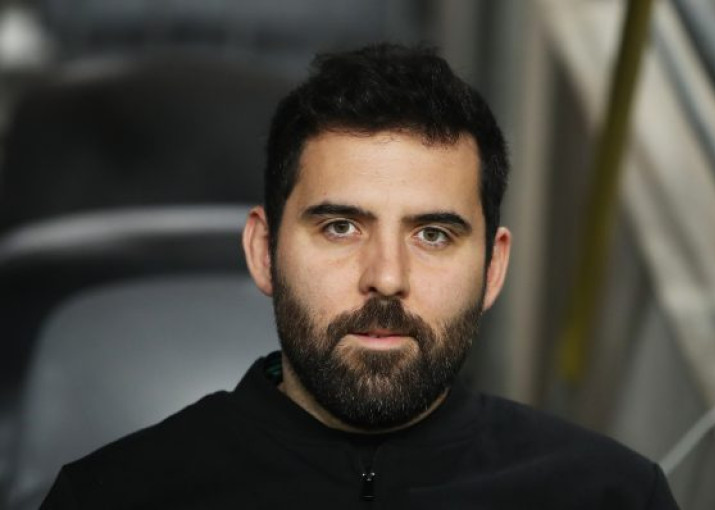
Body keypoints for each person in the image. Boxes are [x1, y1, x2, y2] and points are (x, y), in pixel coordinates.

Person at [42, 43, 679, 509]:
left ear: (493, 268)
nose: (387, 277)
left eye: (433, 235)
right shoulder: (111, 498)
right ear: (264, 251)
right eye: (341, 227)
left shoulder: (611, 497)